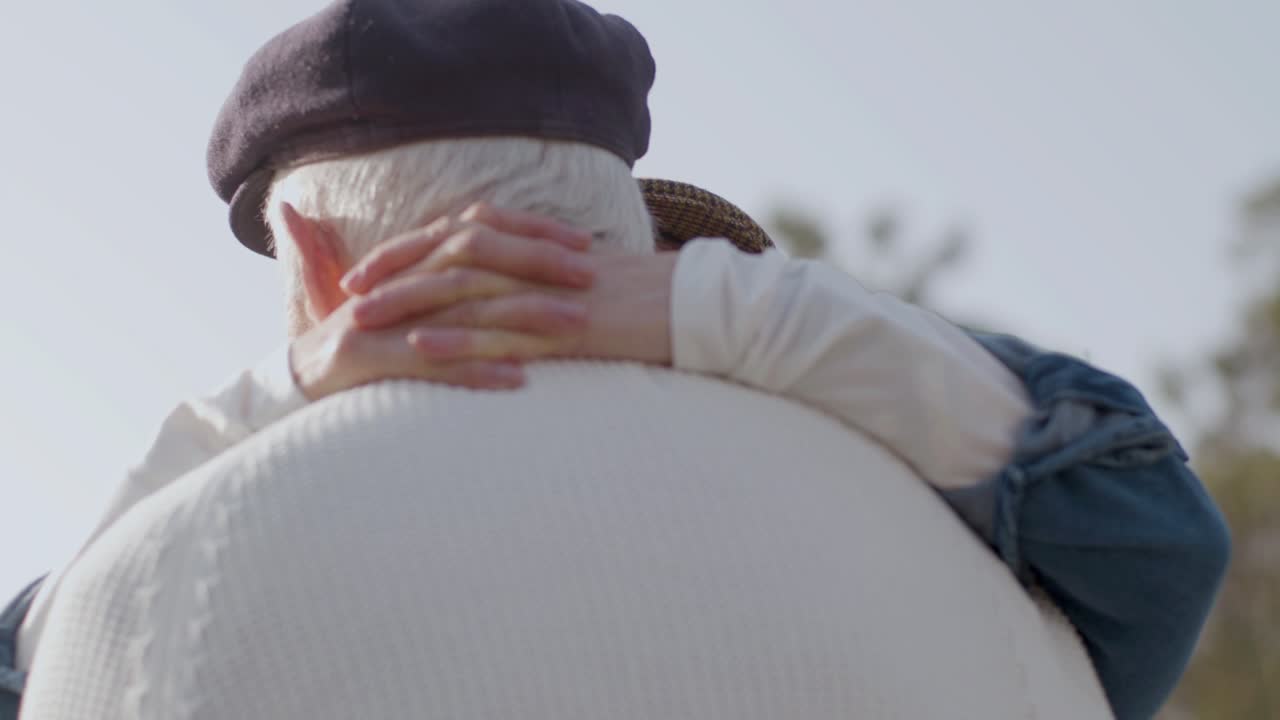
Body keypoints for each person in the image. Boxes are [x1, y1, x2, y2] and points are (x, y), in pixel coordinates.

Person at [4, 1, 1227, 718]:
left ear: (314, 260)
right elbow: (1160, 535)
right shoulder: (972, 553)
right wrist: (743, 313)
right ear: (637, 226)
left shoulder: (146, 595)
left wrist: (269, 401)